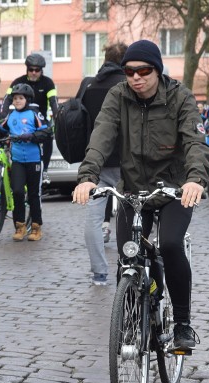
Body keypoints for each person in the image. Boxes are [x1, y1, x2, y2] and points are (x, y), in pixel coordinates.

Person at [72, 40, 209, 352]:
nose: (136, 77)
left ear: (156, 70)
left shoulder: (179, 96)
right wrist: (88, 176)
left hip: (175, 189)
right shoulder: (118, 96)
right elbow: (102, 135)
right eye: (130, 71)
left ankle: (183, 324)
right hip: (135, 189)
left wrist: (195, 179)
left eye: (143, 70)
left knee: (172, 244)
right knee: (129, 254)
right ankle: (139, 315)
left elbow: (194, 142)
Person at [78, 42, 128, 286]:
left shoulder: (90, 85)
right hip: (128, 163)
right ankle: (131, 266)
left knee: (93, 220)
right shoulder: (129, 85)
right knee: (133, 217)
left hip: (96, 163)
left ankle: (99, 273)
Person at [0, 83, 48, 242]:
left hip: (34, 160)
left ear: (27, 99)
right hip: (18, 160)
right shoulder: (11, 115)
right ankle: (19, 226)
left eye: (20, 98)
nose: (17, 101)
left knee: (34, 194)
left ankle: (36, 227)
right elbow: (2, 129)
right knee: (18, 191)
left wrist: (31, 136)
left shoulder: (34, 114)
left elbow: (47, 131)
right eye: (15, 98)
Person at [0, 53, 59, 184]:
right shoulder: (18, 81)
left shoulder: (48, 82)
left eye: (37, 70)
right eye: (30, 69)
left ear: (41, 70)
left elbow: (54, 102)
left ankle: (45, 170)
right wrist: (2, 116)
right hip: (19, 116)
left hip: (40, 119)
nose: (33, 72)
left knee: (47, 135)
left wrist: (58, 116)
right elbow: (7, 100)